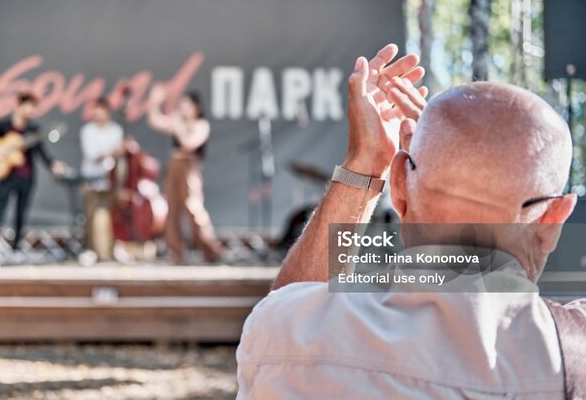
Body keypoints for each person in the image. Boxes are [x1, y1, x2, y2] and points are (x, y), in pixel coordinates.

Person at [236, 44, 582, 398]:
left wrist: (366, 164)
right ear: (554, 218)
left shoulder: (283, 333)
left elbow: (291, 303)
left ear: (398, 188)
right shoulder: (572, 355)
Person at [0, 92, 66, 248]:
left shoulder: (32, 129)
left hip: (26, 176)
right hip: (7, 175)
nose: (32, 111)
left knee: (20, 214)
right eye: (29, 106)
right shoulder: (3, 126)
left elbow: (41, 152)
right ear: (20, 105)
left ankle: (16, 247)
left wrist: (53, 164)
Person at [147, 88, 221, 263]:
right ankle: (176, 253)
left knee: (193, 206)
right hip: (174, 164)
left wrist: (178, 127)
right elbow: (155, 121)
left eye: (187, 106)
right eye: (182, 105)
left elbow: (189, 144)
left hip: (189, 165)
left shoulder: (201, 125)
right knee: (172, 209)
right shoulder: (178, 122)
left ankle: (209, 249)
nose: (184, 109)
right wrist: (154, 103)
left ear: (196, 107)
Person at [80, 97, 124, 260]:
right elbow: (93, 154)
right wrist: (112, 151)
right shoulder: (88, 130)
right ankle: (91, 250)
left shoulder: (116, 130)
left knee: (114, 214)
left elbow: (119, 153)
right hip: (91, 178)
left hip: (111, 178)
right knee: (90, 215)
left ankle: (112, 248)